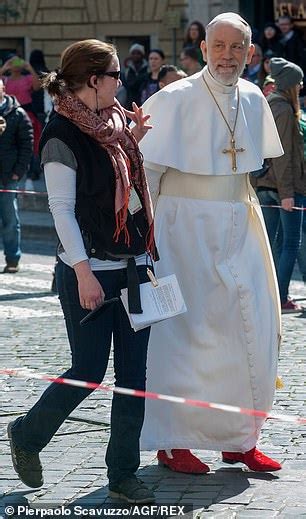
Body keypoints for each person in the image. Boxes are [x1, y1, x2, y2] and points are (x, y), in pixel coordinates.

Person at [7, 39, 157, 504]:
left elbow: (124, 185)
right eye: (115, 74)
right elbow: (62, 211)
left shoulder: (114, 125)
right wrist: (83, 272)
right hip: (88, 269)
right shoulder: (60, 135)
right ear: (94, 80)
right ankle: (27, 435)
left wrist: (136, 140)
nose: (121, 81)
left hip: (135, 265)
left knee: (135, 374)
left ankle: (123, 474)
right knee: (89, 369)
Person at [137, 12, 283, 473]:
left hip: (240, 223)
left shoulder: (255, 99)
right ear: (203, 49)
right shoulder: (174, 98)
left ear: (249, 53)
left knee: (250, 331)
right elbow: (146, 173)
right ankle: (173, 440)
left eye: (236, 47)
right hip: (183, 230)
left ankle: (239, 438)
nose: (226, 56)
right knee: (187, 334)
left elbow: (253, 167)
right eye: (218, 46)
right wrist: (147, 236)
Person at [254, 58, 305, 312]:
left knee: (271, 245)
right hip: (282, 188)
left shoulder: (270, 105)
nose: (302, 85)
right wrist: (288, 194)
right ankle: (280, 297)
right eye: (299, 82)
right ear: (290, 85)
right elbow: (282, 155)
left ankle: (269, 296)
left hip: (266, 186)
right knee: (289, 244)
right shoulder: (283, 109)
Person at [0, 78, 33, 273]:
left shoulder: (17, 114)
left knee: (10, 220)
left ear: (4, 89)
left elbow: (27, 145)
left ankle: (13, 259)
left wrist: (17, 172)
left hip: (8, 176)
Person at [123, 43, 148, 110]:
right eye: (133, 53)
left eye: (138, 53)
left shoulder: (148, 69)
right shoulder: (128, 70)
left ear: (142, 55)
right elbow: (128, 85)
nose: (136, 55)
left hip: (144, 102)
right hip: (130, 103)